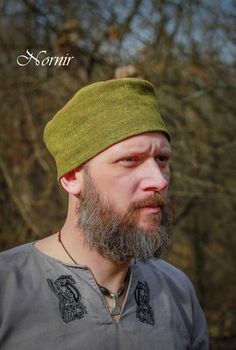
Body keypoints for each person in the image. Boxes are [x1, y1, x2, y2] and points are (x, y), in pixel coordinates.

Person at [0, 78, 209, 349]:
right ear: (72, 177)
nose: (159, 180)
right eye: (130, 160)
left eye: (162, 159)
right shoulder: (7, 288)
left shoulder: (177, 291)